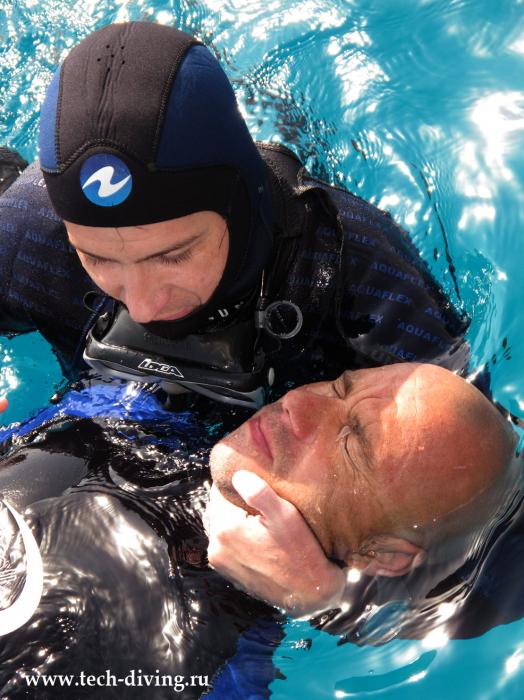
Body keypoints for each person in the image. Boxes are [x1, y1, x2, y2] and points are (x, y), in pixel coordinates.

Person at [0, 20, 470, 410]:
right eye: (97, 258)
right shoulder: (29, 232)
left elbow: (471, 448)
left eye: (174, 255)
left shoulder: (357, 271)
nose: (143, 307)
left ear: (237, 201)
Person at [0, 365, 517, 695]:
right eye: (340, 386)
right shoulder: (146, 409)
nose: (299, 403)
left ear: (380, 555)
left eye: (351, 443)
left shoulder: (223, 660)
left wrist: (326, 607)